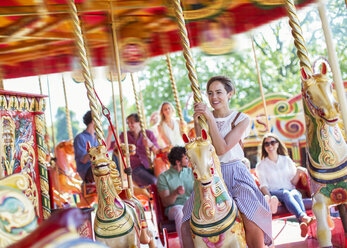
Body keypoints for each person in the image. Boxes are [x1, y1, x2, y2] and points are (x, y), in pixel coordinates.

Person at [181, 76, 273, 248]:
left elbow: (221, 148)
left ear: (230, 94)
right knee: (186, 224)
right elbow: (203, 150)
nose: (214, 97)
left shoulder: (241, 119)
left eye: (219, 92)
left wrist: (209, 118)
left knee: (250, 216)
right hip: (211, 175)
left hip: (236, 174)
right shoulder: (203, 119)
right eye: (210, 93)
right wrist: (198, 121)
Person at [256, 133, 315, 237]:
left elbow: (293, 182)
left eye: (272, 142)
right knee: (286, 193)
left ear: (277, 144)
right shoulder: (261, 165)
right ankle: (303, 217)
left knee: (296, 194)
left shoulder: (286, 160)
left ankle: (302, 222)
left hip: (289, 189)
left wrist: (299, 171)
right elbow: (263, 185)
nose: (270, 146)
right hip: (274, 192)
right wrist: (269, 198)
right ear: (264, 147)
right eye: (267, 144)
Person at [157, 146, 194, 247]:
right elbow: (166, 202)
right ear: (178, 162)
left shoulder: (191, 172)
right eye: (185, 158)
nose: (188, 160)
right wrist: (175, 193)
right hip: (174, 208)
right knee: (180, 211)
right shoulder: (163, 177)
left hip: (192, 205)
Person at [120, 113, 159, 187]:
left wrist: (151, 145)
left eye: (132, 123)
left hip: (148, 166)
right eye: (128, 123)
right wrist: (110, 133)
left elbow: (158, 151)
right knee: (153, 181)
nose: (129, 125)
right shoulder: (124, 135)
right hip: (134, 169)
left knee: (163, 180)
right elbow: (111, 146)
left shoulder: (148, 134)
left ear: (139, 123)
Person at [73, 110, 98, 183]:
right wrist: (95, 151)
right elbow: (83, 160)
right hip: (86, 169)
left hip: (96, 166)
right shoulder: (80, 137)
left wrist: (110, 134)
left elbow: (106, 148)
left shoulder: (97, 137)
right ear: (93, 120)